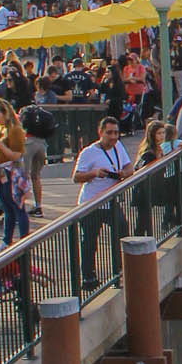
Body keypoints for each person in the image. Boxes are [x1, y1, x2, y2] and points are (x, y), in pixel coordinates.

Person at [72, 114, 131, 284]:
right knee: (90, 241)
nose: (113, 137)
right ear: (100, 133)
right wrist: (95, 173)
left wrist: (123, 173)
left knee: (122, 230)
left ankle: (119, 269)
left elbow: (129, 167)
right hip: (92, 203)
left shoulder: (118, 146)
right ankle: (88, 277)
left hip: (111, 200)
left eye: (116, 133)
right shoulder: (88, 152)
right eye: (109, 133)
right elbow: (76, 177)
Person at [0, 98, 29, 247]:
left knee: (17, 206)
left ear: (6, 114)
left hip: (11, 171)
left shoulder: (15, 130)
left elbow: (16, 155)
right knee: (6, 207)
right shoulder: (1, 128)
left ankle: (24, 241)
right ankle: (6, 241)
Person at [19, 84, 57, 217]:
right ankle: (38, 206)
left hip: (29, 142)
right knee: (36, 176)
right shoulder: (40, 113)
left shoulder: (25, 112)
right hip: (42, 144)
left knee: (23, 175)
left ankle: (20, 206)